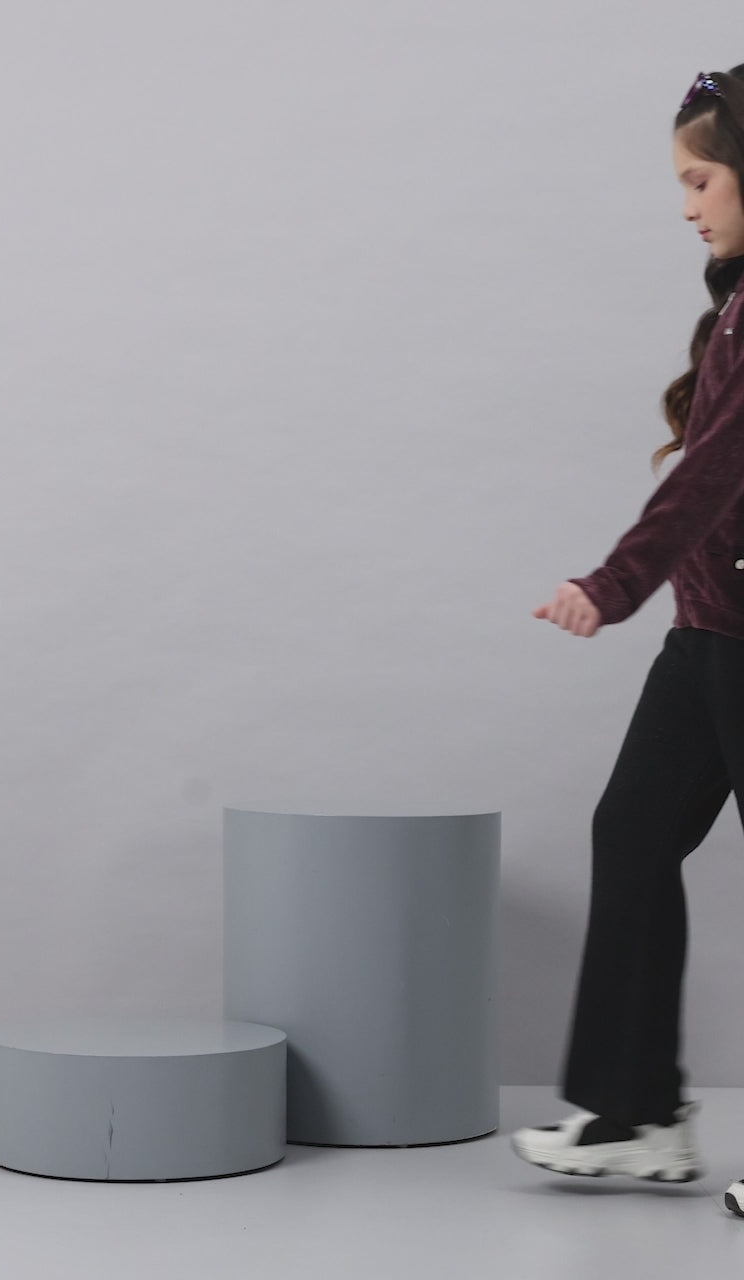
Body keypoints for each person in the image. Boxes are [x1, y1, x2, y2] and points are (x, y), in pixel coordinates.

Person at [509, 66, 744, 1220]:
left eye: (700, 179)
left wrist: (612, 584)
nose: (686, 204)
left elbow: (714, 471)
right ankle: (636, 1114)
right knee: (635, 832)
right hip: (711, 635)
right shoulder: (738, 305)